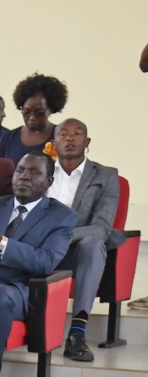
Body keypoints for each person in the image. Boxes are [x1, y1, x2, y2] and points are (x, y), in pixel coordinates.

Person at [0, 154, 77, 377]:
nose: (24, 176)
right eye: (20, 170)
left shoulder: (62, 217)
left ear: (48, 181)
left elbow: (46, 261)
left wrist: (0, 242)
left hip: (19, 290)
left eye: (33, 172)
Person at [47, 118, 125, 363]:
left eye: (77, 133)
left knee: (93, 244)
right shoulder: (40, 170)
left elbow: (101, 228)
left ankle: (77, 333)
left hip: (76, 252)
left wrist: (63, 237)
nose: (70, 138)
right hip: (40, 249)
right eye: (63, 134)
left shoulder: (106, 175)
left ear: (87, 141)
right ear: (53, 143)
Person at [0, 74, 68, 163]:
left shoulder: (62, 137)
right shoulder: (7, 139)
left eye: (39, 113)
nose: (32, 118)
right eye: (26, 112)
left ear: (51, 109)